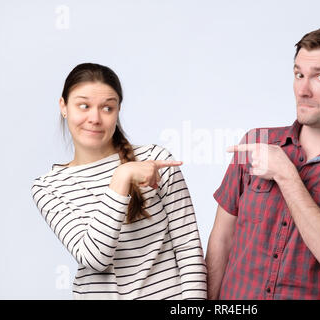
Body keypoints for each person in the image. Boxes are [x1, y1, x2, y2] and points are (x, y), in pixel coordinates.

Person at [206, 26, 320, 300]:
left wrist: (286, 175)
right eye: (298, 74)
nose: (303, 90)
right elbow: (222, 240)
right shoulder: (256, 141)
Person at [31, 63, 207, 300]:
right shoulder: (49, 188)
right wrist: (122, 177)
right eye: (83, 105)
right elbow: (95, 258)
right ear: (64, 107)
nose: (94, 118)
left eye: (107, 108)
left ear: (118, 110)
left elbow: (188, 250)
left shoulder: (155, 160)